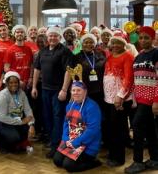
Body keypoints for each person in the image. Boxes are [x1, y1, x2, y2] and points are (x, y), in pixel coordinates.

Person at [31, 26, 72, 157]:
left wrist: (64, 90)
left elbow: (68, 71)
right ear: (47, 37)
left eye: (55, 35)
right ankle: (52, 141)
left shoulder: (64, 51)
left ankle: (57, 146)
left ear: (60, 37)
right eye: (50, 36)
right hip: (45, 90)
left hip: (58, 91)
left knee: (58, 117)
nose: (52, 38)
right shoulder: (42, 51)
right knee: (47, 117)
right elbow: (37, 69)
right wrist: (34, 87)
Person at [53, 69, 102, 172]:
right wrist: (65, 139)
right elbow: (66, 124)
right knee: (57, 161)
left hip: (87, 144)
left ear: (85, 92)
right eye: (73, 90)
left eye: (79, 90)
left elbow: (93, 130)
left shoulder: (92, 107)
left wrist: (76, 142)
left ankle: (93, 162)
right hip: (71, 140)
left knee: (69, 166)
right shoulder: (70, 105)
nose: (76, 93)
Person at [124, 26, 158, 174]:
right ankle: (155, 159)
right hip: (140, 99)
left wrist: (156, 100)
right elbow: (135, 79)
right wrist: (132, 98)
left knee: (137, 127)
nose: (143, 40)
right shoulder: (139, 56)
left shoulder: (157, 53)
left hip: (151, 99)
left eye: (147, 38)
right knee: (151, 130)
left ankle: (138, 162)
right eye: (141, 37)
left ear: (153, 39)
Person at [103, 36, 134, 167]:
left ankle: (119, 158)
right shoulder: (109, 56)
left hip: (120, 99)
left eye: (118, 43)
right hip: (108, 98)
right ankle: (112, 153)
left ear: (123, 45)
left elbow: (128, 79)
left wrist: (120, 96)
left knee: (119, 128)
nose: (115, 45)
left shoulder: (128, 56)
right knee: (111, 127)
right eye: (113, 43)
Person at [0, 71, 35, 153]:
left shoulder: (22, 93)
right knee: (13, 137)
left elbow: (28, 110)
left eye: (16, 82)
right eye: (11, 82)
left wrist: (31, 124)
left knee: (26, 129)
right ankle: (2, 144)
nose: (14, 84)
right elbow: (3, 117)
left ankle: (16, 144)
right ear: (6, 83)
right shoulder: (2, 96)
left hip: (14, 118)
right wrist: (21, 122)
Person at [4, 25, 33, 91]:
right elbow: (6, 68)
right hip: (15, 83)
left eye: (21, 32)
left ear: (24, 34)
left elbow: (31, 64)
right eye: (17, 32)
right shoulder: (10, 50)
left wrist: (31, 78)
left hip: (28, 82)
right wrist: (17, 80)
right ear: (14, 34)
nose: (19, 34)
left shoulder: (28, 49)